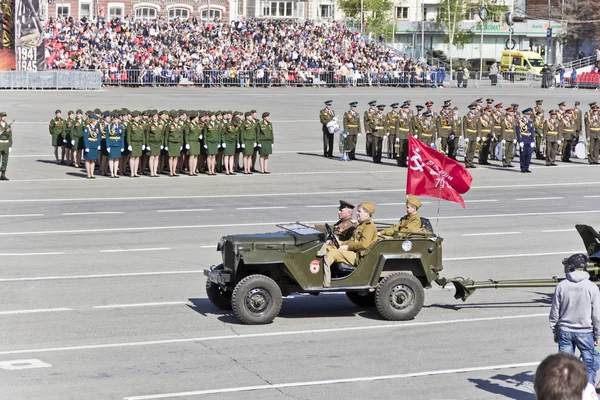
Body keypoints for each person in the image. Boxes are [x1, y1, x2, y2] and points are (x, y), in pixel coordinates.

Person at [550, 253, 600, 386]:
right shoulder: (592, 287)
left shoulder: (561, 286)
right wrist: (597, 335)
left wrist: (555, 331)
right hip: (585, 332)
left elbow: (555, 311)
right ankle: (587, 394)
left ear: (570, 267)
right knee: (587, 368)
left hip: (565, 331)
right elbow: (597, 315)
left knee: (565, 369)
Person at [319, 201, 377, 288]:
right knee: (328, 248)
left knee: (334, 253)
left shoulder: (369, 226)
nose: (356, 213)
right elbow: (352, 240)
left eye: (359, 211)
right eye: (357, 211)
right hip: (355, 253)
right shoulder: (361, 225)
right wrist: (341, 243)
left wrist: (347, 247)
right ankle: (315, 269)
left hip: (360, 256)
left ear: (367, 213)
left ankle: (322, 278)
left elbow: (363, 245)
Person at [106, 111, 125, 178]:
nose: (115, 121)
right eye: (114, 119)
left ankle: (115, 173)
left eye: (116, 119)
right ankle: (111, 173)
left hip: (118, 144)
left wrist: (122, 146)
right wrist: (107, 146)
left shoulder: (121, 127)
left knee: (117, 159)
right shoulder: (109, 127)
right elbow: (107, 137)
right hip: (112, 144)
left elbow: (122, 137)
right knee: (111, 159)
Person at [516, 108, 535, 173]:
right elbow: (518, 132)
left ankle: (527, 167)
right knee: (523, 155)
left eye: (529, 114)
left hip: (529, 139)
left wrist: (532, 140)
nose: (529, 115)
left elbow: (532, 131)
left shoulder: (531, 122)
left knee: (529, 154)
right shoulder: (520, 121)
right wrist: (520, 141)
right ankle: (523, 168)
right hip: (523, 139)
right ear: (524, 114)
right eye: (527, 114)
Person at [83, 114, 100, 179]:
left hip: (94, 145)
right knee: (88, 160)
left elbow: (98, 137)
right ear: (93, 121)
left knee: (93, 160)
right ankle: (88, 174)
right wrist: (86, 146)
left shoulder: (96, 128)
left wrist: (98, 145)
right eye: (96, 121)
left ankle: (92, 173)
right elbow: (85, 137)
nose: (97, 122)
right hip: (89, 145)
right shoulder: (87, 127)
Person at [0, 112, 12, 181]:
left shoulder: (8, 126)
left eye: (5, 116)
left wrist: (10, 146)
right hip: (0, 143)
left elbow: (10, 136)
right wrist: (3, 131)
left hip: (6, 144)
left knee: (5, 160)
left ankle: (3, 175)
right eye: (3, 116)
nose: (4, 117)